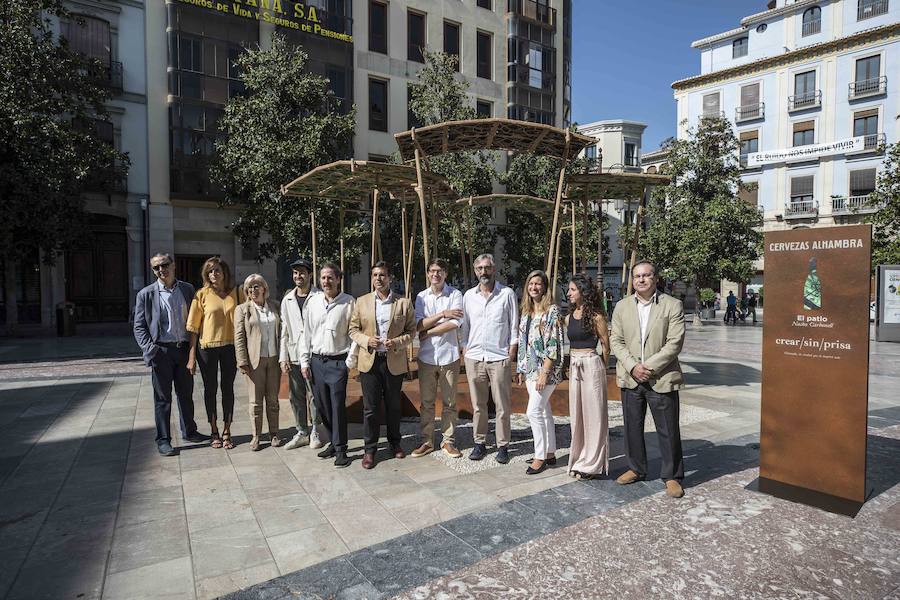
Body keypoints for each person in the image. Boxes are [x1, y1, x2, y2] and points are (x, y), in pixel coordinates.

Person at [610, 260, 686, 499]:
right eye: (637, 276)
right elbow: (616, 340)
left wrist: (648, 368)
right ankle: (636, 468)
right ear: (632, 280)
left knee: (668, 429)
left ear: (656, 278)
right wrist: (633, 367)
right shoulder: (621, 307)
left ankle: (672, 476)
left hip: (661, 377)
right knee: (632, 427)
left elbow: (674, 343)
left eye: (646, 275)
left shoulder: (672, 305)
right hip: (631, 377)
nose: (641, 280)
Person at [133, 253, 208, 456]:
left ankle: (190, 431)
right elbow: (139, 326)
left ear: (173, 265)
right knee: (162, 399)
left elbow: (196, 319)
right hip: (161, 351)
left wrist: (194, 350)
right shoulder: (146, 294)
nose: (161, 270)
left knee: (186, 394)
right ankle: (163, 440)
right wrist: (151, 350)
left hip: (183, 349)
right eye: (156, 267)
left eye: (164, 265)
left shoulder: (187, 289)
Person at [349, 261, 416, 469]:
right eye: (375, 275)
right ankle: (370, 449)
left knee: (394, 406)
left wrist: (396, 343)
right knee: (370, 408)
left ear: (390, 278)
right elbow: (353, 329)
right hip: (369, 362)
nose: (378, 279)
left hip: (393, 361)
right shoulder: (361, 302)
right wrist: (367, 340)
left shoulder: (403, 303)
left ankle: (394, 443)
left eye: (382, 275)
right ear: (372, 278)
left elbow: (411, 331)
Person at [461, 253, 518, 463]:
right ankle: (480, 443)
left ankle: (503, 445)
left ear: (493, 269)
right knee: (478, 405)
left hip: (499, 357)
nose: (483, 272)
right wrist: (465, 349)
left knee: (502, 405)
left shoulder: (507, 294)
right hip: (475, 357)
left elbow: (514, 325)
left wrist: (511, 353)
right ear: (475, 271)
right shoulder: (469, 296)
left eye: (487, 267)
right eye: (480, 268)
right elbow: (465, 326)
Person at [300, 263, 355, 468]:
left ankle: (341, 450)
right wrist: (305, 361)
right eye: (323, 278)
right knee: (322, 406)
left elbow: (354, 334)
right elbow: (306, 333)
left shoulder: (349, 302)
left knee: (337, 406)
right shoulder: (313, 302)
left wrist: (348, 362)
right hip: (316, 362)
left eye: (330, 277)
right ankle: (333, 441)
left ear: (338, 279)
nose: (326, 281)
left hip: (337, 362)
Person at [411, 258, 464, 459]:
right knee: (427, 403)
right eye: (432, 271)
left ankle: (448, 441)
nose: (436, 274)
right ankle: (427, 441)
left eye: (439, 271)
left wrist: (429, 331)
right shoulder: (421, 297)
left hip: (449, 355)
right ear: (427, 273)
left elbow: (455, 323)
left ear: (445, 274)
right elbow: (418, 325)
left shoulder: (455, 294)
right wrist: (443, 313)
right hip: (427, 357)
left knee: (450, 402)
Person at [186, 257, 241, 450]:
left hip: (230, 347)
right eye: (210, 271)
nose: (214, 274)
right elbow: (193, 329)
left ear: (224, 272)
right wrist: (191, 357)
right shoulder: (201, 294)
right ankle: (214, 430)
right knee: (210, 389)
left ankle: (227, 430)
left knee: (228, 389)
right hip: (206, 349)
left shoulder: (236, 293)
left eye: (217, 270)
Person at [516, 270, 563, 475]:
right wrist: (520, 368)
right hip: (530, 369)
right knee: (544, 411)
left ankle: (540, 456)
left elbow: (553, 344)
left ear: (544, 288)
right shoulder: (526, 311)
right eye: (531, 283)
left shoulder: (552, 311)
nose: (534, 287)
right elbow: (523, 342)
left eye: (538, 284)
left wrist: (544, 372)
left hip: (546, 370)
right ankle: (550, 453)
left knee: (533, 411)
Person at [565, 274, 610, 480]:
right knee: (577, 415)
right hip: (575, 366)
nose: (569, 293)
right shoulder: (569, 317)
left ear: (583, 291)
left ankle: (592, 463)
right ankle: (579, 457)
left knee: (594, 415)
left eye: (572, 289)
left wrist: (602, 368)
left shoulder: (596, 317)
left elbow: (606, 346)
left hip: (591, 365)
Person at [234, 274, 283, 451]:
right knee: (255, 401)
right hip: (254, 360)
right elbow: (239, 337)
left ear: (264, 288)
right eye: (249, 288)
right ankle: (256, 436)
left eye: (256, 286)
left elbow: (283, 332)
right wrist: (242, 361)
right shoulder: (242, 309)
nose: (253, 290)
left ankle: (274, 433)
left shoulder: (275, 306)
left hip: (274, 358)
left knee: (273, 399)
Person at [280, 259, 323, 450]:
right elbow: (284, 329)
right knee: (296, 395)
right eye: (295, 273)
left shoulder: (319, 296)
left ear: (310, 275)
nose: (298, 276)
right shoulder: (287, 299)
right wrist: (283, 357)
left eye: (302, 273)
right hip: (294, 353)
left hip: (314, 353)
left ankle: (315, 430)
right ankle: (301, 431)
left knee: (314, 395)